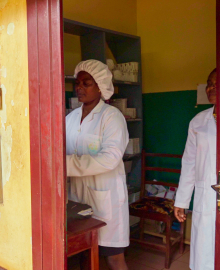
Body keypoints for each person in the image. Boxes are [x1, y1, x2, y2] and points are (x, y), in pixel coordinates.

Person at [66, 60, 129, 270]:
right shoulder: (70, 118)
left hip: (105, 196)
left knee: (113, 257)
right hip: (77, 197)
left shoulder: (112, 117)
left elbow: (110, 157)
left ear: (100, 86)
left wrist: (66, 164)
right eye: (78, 83)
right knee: (85, 253)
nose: (79, 88)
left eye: (87, 83)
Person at [174, 68, 217, 270]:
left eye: (218, 83)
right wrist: (181, 200)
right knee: (204, 256)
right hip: (205, 198)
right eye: (209, 83)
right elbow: (189, 164)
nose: (211, 87)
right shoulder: (198, 121)